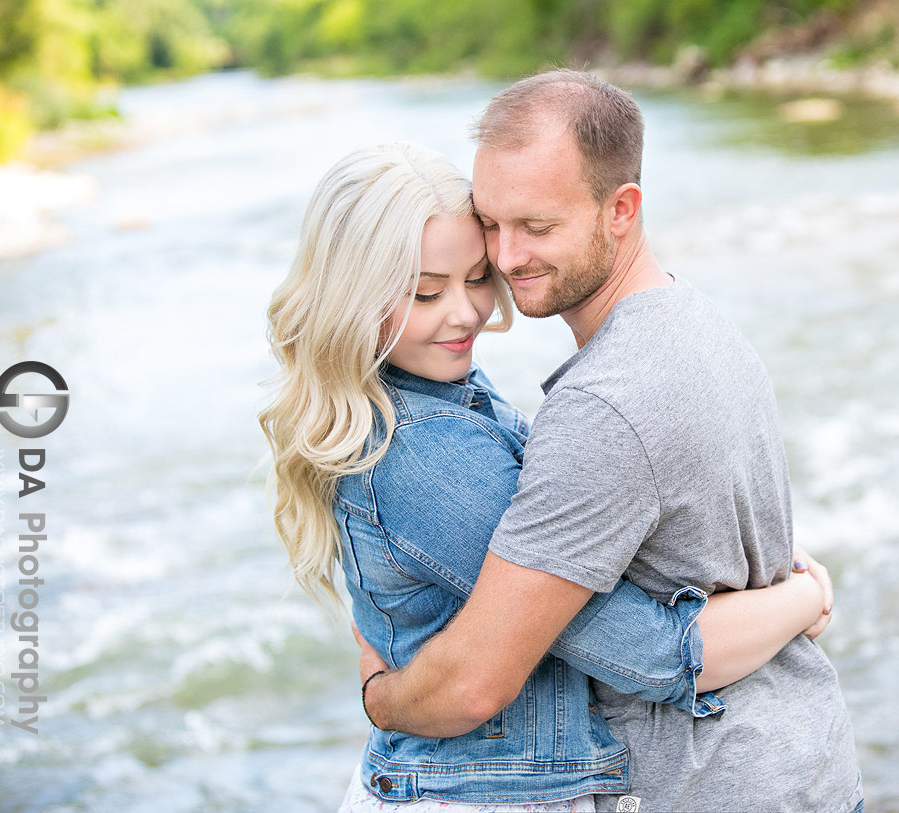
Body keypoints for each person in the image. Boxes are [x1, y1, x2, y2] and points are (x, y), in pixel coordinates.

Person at [259, 142, 836, 811]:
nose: (466, 312)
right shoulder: (422, 451)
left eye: (476, 277)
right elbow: (645, 652)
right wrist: (803, 599)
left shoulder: (432, 392)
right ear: (348, 300)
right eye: (425, 292)